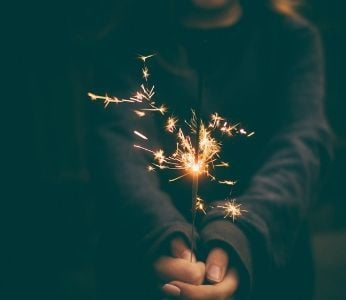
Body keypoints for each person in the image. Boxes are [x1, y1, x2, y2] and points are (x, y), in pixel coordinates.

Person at [87, 0, 333, 299]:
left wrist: (240, 233)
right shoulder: (124, 42)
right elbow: (119, 151)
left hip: (268, 267)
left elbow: (301, 146)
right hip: (142, 269)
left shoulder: (291, 38)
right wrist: (162, 235)